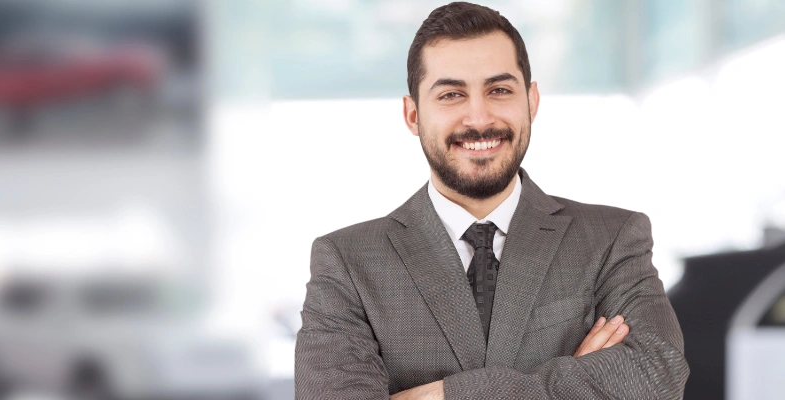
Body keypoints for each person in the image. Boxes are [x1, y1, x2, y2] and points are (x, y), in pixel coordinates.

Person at [294, 2, 688, 399]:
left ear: (531, 102)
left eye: (499, 90)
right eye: (451, 94)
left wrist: (446, 394)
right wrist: (577, 378)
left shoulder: (612, 239)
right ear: (413, 115)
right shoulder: (346, 261)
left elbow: (657, 374)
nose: (479, 118)